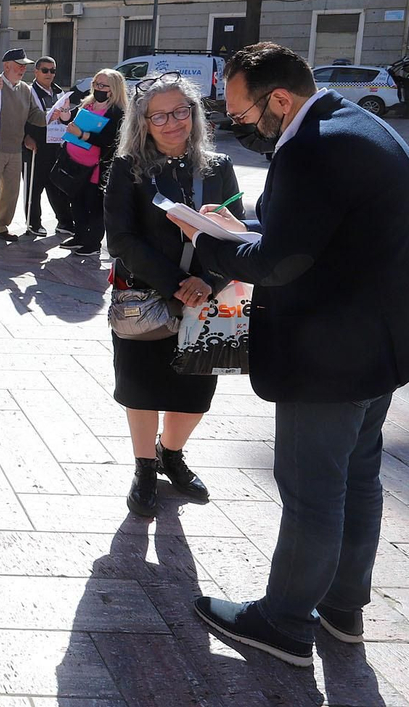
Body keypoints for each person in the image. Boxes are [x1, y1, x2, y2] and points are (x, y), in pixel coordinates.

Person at [172, 43, 409, 667]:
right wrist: (242, 224)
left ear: (279, 99)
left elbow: (280, 263)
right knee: (357, 478)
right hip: (377, 344)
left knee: (312, 492)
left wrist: (207, 242)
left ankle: (285, 622)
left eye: (242, 115)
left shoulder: (311, 148)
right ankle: (343, 607)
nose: (240, 126)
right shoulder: (358, 124)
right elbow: (316, 230)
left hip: (328, 355)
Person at [104, 72, 244, 517]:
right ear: (143, 122)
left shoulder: (218, 167)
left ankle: (172, 453)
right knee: (141, 388)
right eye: (159, 116)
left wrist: (208, 282)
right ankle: (145, 467)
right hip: (146, 297)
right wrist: (176, 283)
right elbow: (121, 239)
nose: (172, 123)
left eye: (180, 111)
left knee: (195, 394)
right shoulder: (127, 168)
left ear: (194, 113)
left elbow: (235, 234)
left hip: (211, 298)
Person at [0, 48, 48, 242]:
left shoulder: (25, 89)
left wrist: (53, 116)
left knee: (10, 192)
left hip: (15, 148)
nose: (23, 69)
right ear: (6, 66)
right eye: (19, 65)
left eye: (25, 66)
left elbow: (35, 116)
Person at [55, 68, 126, 255]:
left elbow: (108, 140)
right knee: (76, 201)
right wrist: (65, 114)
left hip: (95, 168)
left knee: (93, 206)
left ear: (114, 88)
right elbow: (71, 121)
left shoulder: (117, 112)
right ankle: (79, 236)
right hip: (75, 164)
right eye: (95, 84)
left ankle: (93, 243)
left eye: (102, 85)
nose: (97, 88)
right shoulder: (88, 103)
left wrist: (81, 134)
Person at [24, 55, 72, 237]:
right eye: (45, 70)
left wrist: (65, 114)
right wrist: (26, 137)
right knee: (34, 186)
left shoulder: (59, 92)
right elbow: (21, 117)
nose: (49, 74)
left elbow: (65, 119)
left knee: (57, 185)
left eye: (52, 71)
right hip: (35, 145)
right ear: (36, 72)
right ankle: (33, 223)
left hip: (55, 144)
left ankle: (65, 222)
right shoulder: (28, 92)